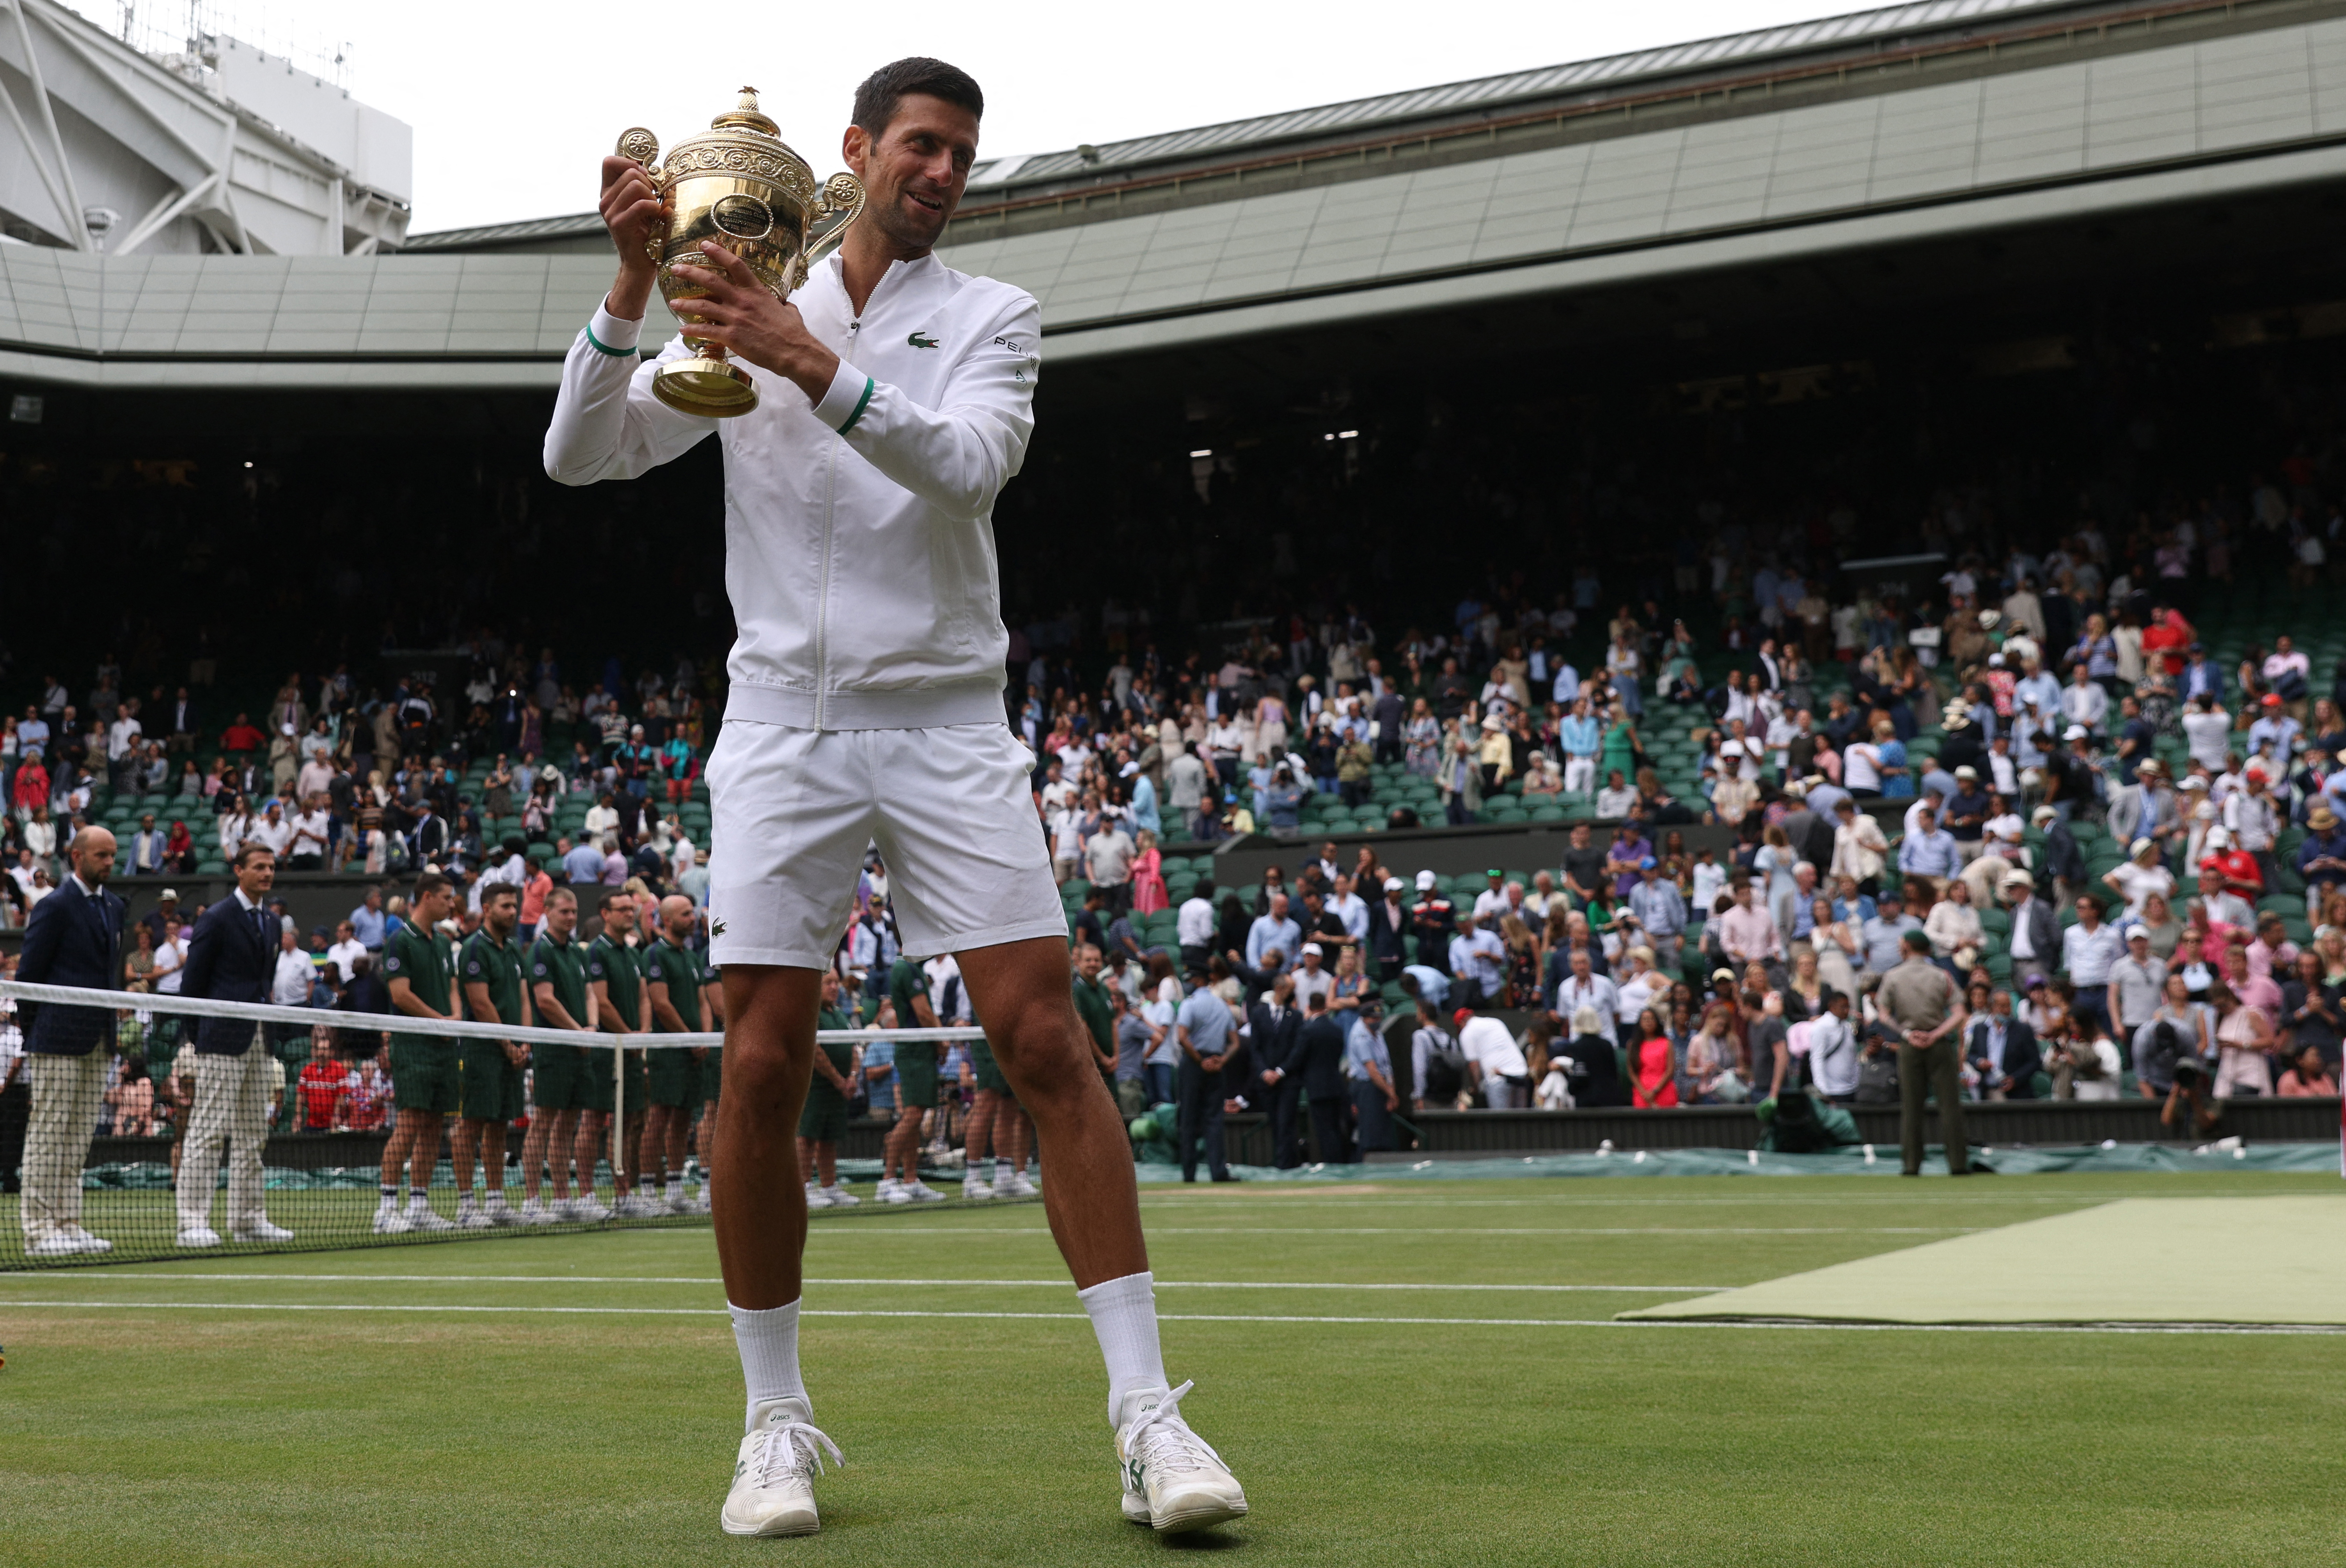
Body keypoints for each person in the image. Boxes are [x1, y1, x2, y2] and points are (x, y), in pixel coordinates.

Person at [554, 60, 1246, 1542]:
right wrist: (632, 286)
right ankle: (772, 1427)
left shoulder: (991, 315)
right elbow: (582, 454)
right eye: (920, 146)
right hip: (780, 727)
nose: (941, 173)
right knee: (759, 1064)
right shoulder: (739, 297)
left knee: (1045, 1038)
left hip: (944, 721)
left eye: (960, 156)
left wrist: (803, 360)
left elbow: (971, 468)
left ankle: (1148, 1420)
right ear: (856, 151)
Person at [176, 842, 296, 1246]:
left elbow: (264, 984)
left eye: (271, 867)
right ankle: (192, 1222)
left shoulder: (273, 922)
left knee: (253, 1133)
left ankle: (248, 1219)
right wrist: (201, 1036)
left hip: (261, 1038)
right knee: (208, 1130)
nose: (267, 873)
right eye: (259, 867)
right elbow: (192, 983)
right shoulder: (216, 917)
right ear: (239, 871)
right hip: (221, 1038)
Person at [14, 826, 124, 1256]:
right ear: (77, 857)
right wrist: (38, 1032)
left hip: (99, 1039)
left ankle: (68, 1223)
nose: (109, 863)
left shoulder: (115, 906)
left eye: (113, 855)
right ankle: (39, 1231)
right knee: (48, 1133)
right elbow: (28, 979)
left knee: (78, 1137)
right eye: (101, 855)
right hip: (56, 1038)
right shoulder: (55, 906)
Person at [374, 873, 463, 1234]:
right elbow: (400, 995)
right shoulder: (400, 940)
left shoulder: (442, 943)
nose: (452, 904)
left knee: (433, 1127)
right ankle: (386, 1209)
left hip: (444, 1047)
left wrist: (455, 1018)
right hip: (413, 1046)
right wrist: (440, 1022)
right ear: (427, 897)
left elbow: (453, 985)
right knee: (409, 1125)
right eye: (447, 898)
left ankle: (419, 1205)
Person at [451, 882, 530, 1229]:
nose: (512, 912)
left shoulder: (513, 949)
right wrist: (508, 1045)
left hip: (513, 1051)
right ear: (486, 909)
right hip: (482, 1050)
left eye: (515, 906)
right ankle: (466, 1204)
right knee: (471, 1125)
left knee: (500, 1124)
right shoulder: (473, 948)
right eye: (505, 906)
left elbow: (524, 997)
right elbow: (480, 1003)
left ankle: (496, 1201)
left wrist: (525, 1041)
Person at [520, 885, 594, 1223]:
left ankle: (563, 1198)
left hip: (581, 1049)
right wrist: (578, 1032)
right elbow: (545, 1000)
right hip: (553, 1050)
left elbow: (591, 994)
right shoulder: (541, 951)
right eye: (564, 911)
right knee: (543, 1122)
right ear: (548, 912)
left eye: (574, 912)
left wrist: (592, 1027)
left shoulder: (578, 952)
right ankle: (532, 1200)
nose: (570, 917)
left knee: (568, 1124)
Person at [644, 894, 720, 1212]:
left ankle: (675, 1189)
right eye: (686, 914)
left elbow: (704, 1001)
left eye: (692, 913)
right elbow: (661, 1004)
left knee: (684, 1119)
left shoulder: (691, 956)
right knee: (659, 1118)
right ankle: (648, 1190)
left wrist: (703, 1038)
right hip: (668, 1052)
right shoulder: (654, 954)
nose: (693, 918)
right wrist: (690, 1039)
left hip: (694, 1051)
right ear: (668, 920)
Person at [1876, 929, 1969, 1176]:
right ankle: (1958, 1163)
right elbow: (1959, 1014)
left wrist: (1907, 1034)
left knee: (1911, 1107)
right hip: (1938, 1045)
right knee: (1949, 1106)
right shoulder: (1941, 975)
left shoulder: (1893, 976)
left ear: (1906, 947)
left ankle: (1911, 1165)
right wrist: (1936, 1034)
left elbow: (1883, 1015)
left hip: (1910, 1045)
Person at [587, 889, 655, 1218]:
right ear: (606, 914)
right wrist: (628, 1036)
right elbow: (600, 1002)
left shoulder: (632, 953)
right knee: (597, 1121)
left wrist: (642, 1033)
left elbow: (644, 997)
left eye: (632, 909)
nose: (631, 914)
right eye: (623, 909)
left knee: (628, 1122)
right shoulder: (597, 951)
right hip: (606, 1052)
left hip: (630, 1050)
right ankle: (590, 1194)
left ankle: (625, 1192)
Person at [879, 952, 947, 1202]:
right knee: (914, 1115)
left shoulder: (914, 968)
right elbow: (924, 1013)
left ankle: (910, 1179)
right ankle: (887, 1181)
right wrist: (941, 1041)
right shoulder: (906, 968)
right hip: (915, 1050)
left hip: (920, 1049)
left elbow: (928, 1011)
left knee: (915, 1115)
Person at [1249, 973, 1304, 1166]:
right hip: (1266, 1082)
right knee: (1275, 1123)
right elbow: (1255, 1048)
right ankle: (1285, 1161)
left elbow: (1298, 1050)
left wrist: (1280, 1072)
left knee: (1286, 1122)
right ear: (1280, 989)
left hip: (1288, 1080)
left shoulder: (1296, 1017)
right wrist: (1265, 1072)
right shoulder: (1258, 1014)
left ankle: (1284, 1165)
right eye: (1290, 989)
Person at [1964, 987, 2042, 1099]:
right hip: (1987, 1091)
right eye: (2002, 1006)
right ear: (1992, 1007)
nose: (2006, 1010)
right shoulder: (1980, 1029)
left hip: (2017, 1094)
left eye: (2008, 1006)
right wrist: (1979, 1062)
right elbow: (1971, 1055)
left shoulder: (2023, 1030)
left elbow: (2034, 1061)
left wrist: (2015, 1079)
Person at [1456, 1007, 1530, 1108]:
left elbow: (1473, 1065)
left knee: (1500, 1118)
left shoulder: (1467, 1032)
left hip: (1499, 1078)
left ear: (1461, 1023)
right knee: (1522, 1117)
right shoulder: (1495, 1022)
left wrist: (1476, 1089)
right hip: (1521, 1074)